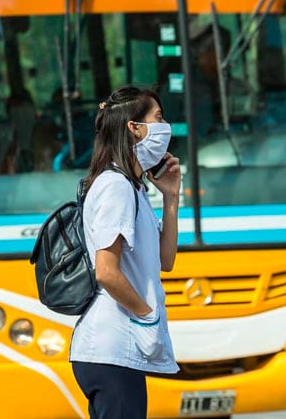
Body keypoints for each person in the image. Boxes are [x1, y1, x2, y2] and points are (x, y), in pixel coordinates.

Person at [69, 85, 180, 418]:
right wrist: (147, 314)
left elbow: (166, 260)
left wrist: (171, 197)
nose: (165, 127)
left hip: (116, 352)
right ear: (135, 128)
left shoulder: (132, 187)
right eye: (158, 118)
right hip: (110, 349)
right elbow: (106, 270)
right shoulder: (115, 186)